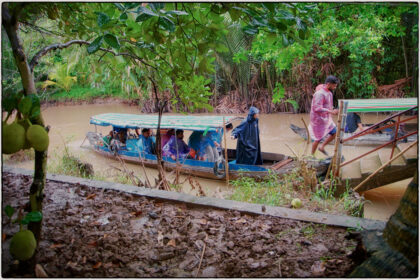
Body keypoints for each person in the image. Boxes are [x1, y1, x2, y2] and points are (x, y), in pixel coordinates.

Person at [308, 75, 339, 156]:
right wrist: (331, 111)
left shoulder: (329, 92)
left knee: (335, 132)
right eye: (334, 85)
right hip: (318, 119)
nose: (335, 87)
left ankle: (322, 147)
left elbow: (328, 104)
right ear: (329, 84)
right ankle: (312, 155)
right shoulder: (320, 93)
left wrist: (332, 110)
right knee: (317, 138)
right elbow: (317, 108)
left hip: (326, 118)